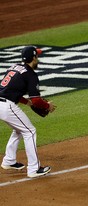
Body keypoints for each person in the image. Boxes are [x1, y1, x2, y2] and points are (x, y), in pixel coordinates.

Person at [0, 46, 56, 178]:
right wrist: (47, 105)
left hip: (2, 102)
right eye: (37, 56)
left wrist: (27, 102)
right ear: (34, 58)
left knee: (19, 129)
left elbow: (12, 90)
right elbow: (36, 100)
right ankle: (34, 169)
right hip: (6, 106)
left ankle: (9, 160)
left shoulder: (14, 67)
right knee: (30, 131)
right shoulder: (31, 75)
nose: (38, 59)